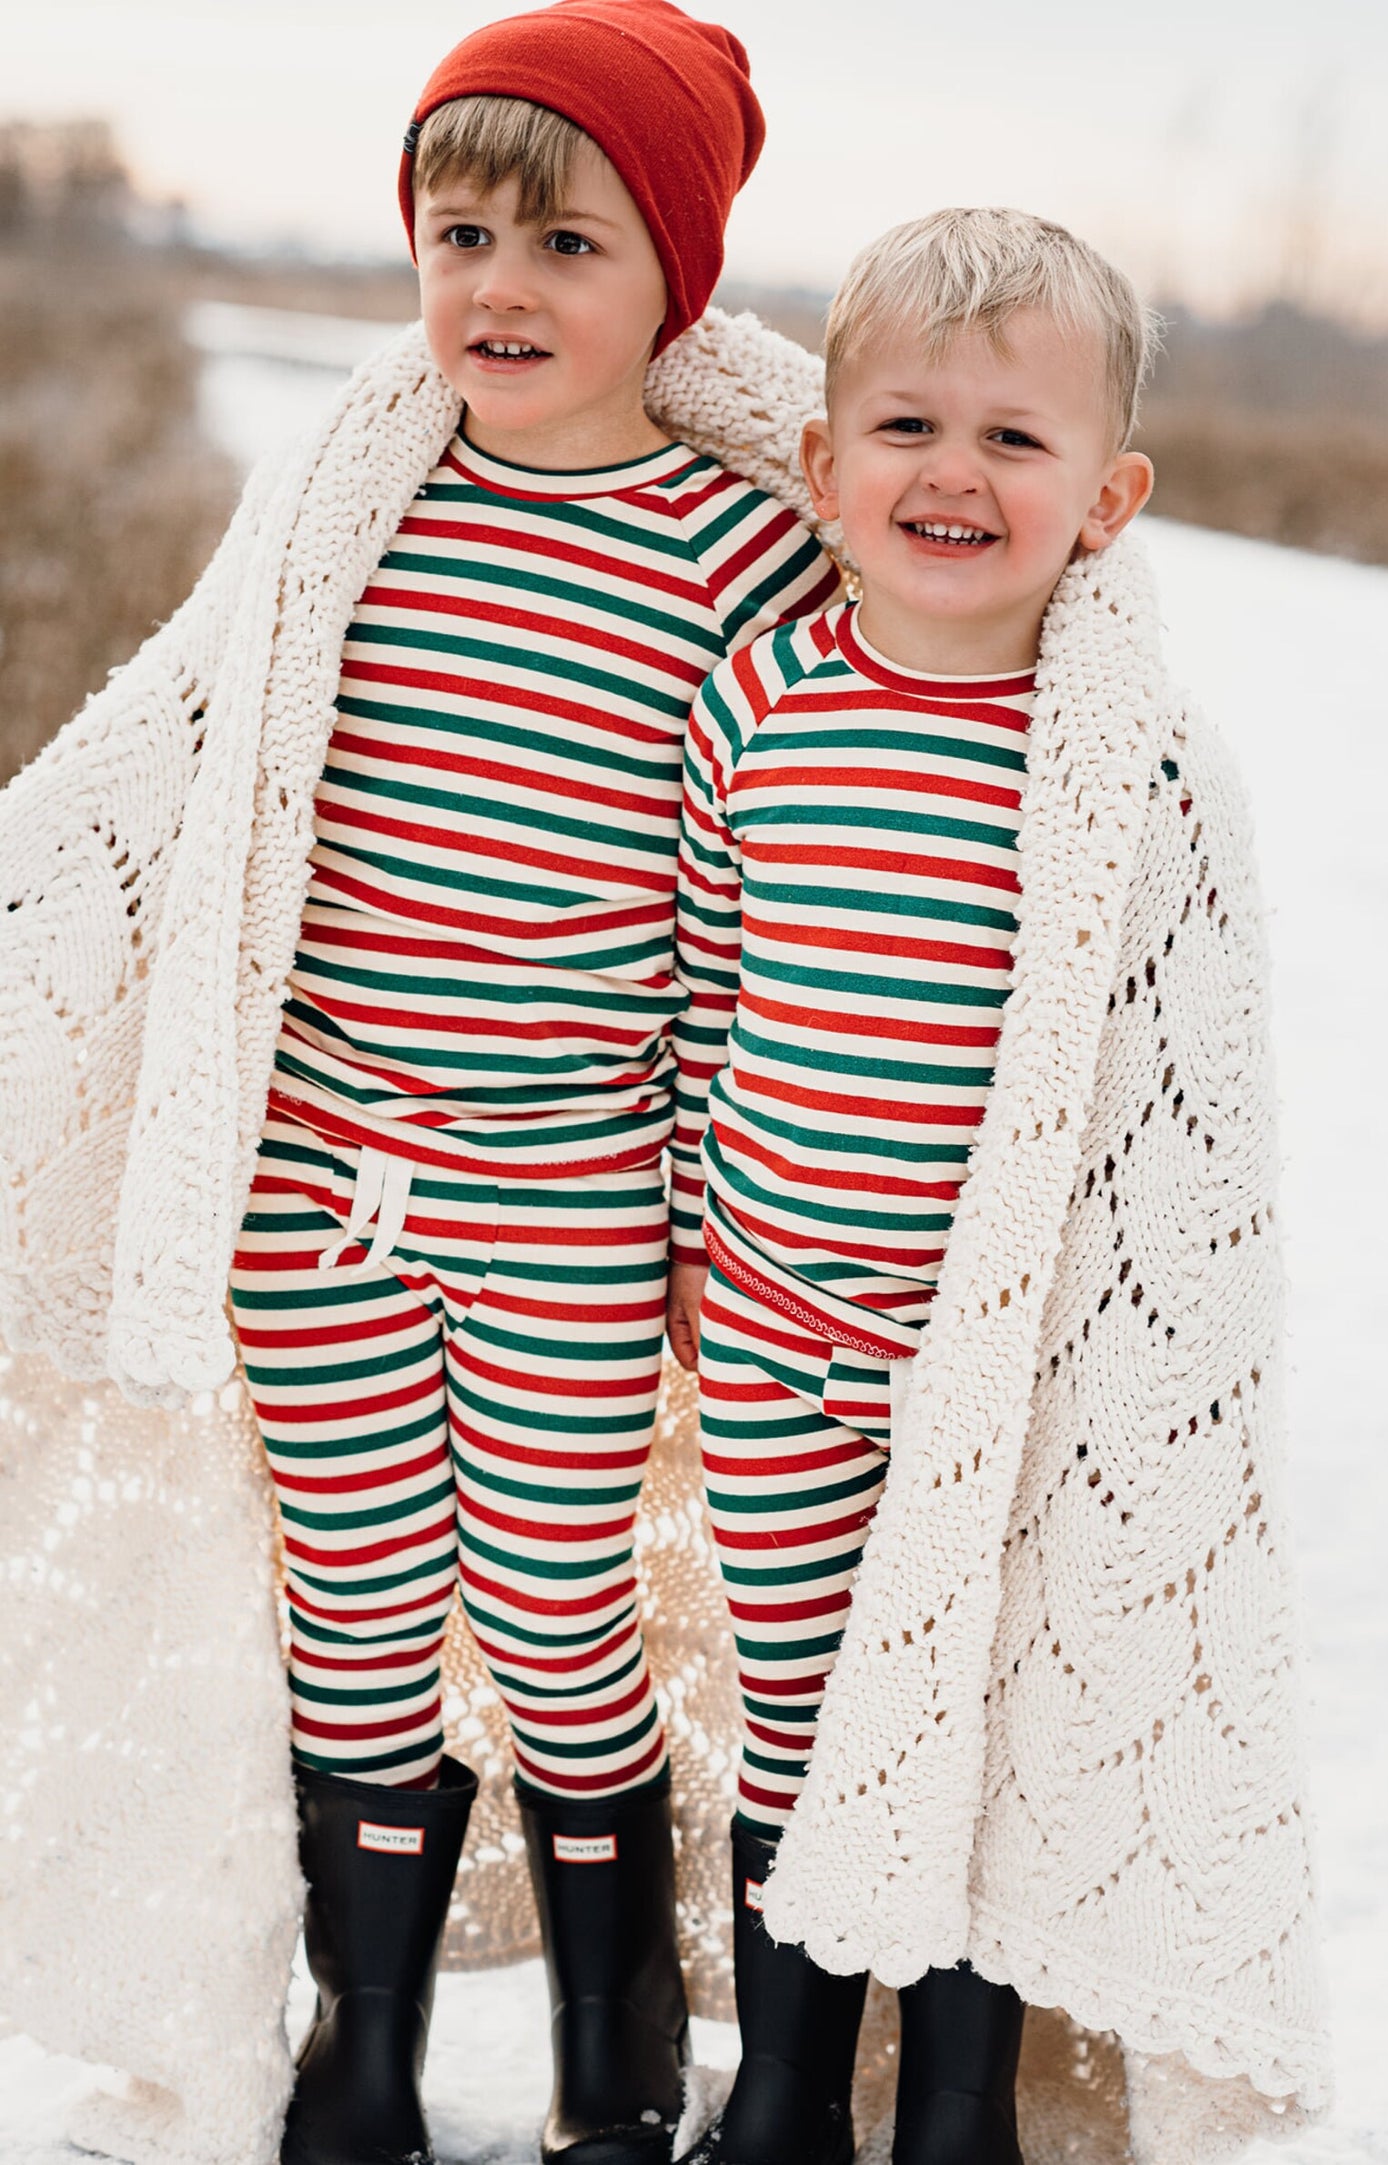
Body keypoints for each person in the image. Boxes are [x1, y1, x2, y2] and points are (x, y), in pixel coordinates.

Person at [0, 8, 838, 2164]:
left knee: (564, 1611)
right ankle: (358, 2038)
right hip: (320, 1174)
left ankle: (612, 2027)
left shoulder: (751, 560)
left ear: (678, 275)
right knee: (356, 1607)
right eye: (458, 232)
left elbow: (787, 874)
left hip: (568, 1188)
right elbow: (186, 779)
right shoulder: (349, 513)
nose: (498, 285)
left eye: (565, 241)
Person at [667, 207, 1324, 2165]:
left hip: (1013, 1378)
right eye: (910, 427)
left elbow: (1191, 1106)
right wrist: (699, 1257)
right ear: (823, 461)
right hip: (783, 1343)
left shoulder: (1136, 769)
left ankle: (963, 2112)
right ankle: (785, 2091)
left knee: (987, 1742)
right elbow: (707, 1006)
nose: (955, 474)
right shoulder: (758, 710)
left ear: (1108, 498)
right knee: (793, 1726)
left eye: (1017, 443)